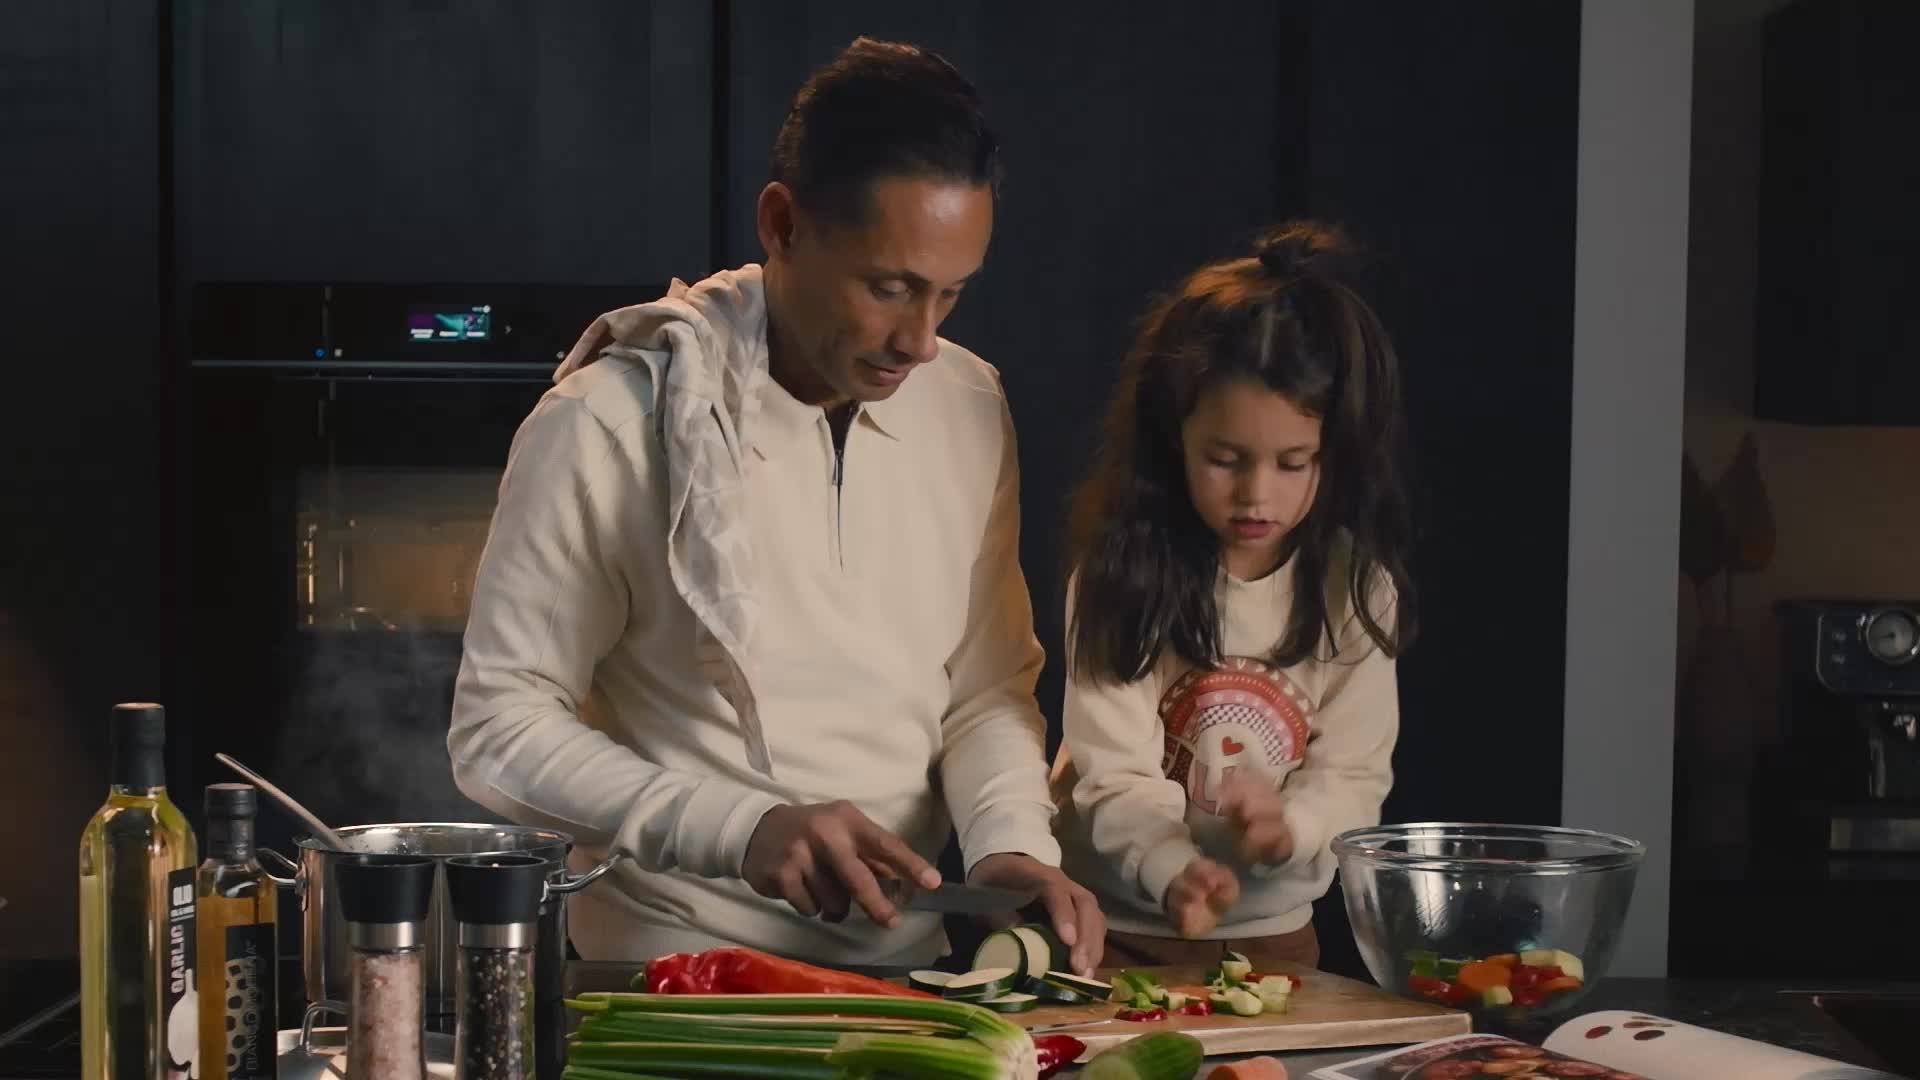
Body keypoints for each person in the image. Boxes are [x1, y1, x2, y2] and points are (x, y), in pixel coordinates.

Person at [447, 37, 1103, 972]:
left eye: (950, 295)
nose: (919, 340)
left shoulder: (968, 403)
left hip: (901, 979)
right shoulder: (607, 422)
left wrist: (1009, 850)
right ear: (783, 225)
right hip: (668, 982)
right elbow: (496, 729)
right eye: (890, 287)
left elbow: (984, 688)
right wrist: (740, 827)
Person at [1051, 222, 1417, 970]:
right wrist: (1169, 867)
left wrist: (1292, 829)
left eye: (1293, 463)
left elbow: (1353, 773)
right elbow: (1112, 771)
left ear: (1333, 453)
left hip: (1276, 934)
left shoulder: (1355, 590)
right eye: (1224, 459)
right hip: (1112, 927)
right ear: (1173, 438)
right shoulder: (1118, 574)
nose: (1257, 495)